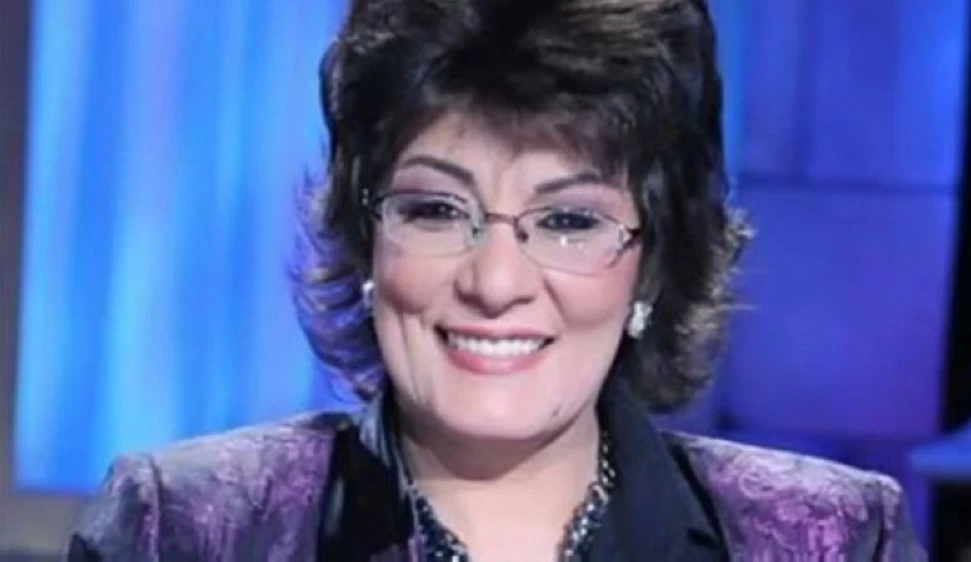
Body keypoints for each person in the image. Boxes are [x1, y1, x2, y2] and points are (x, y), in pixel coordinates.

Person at [67, 0, 926, 560]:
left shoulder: (827, 539)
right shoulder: (186, 529)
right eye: (437, 210)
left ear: (652, 265)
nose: (496, 281)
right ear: (367, 241)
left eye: (569, 221)